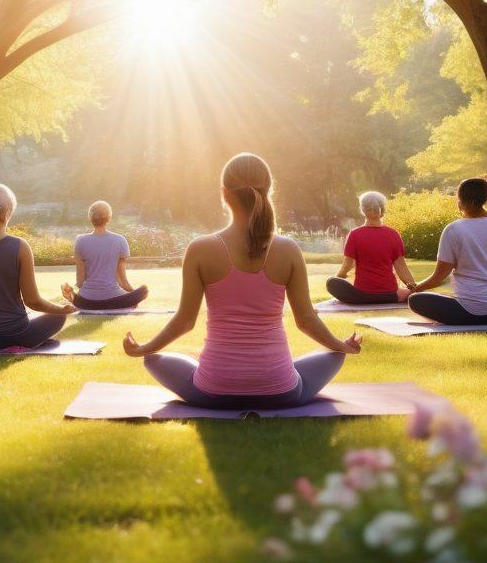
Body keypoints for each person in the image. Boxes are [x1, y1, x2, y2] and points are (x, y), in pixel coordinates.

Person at [123, 153, 361, 410]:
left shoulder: (200, 249)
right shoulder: (289, 249)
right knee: (334, 356)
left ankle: (215, 370)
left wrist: (143, 348)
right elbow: (305, 319)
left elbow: (185, 321)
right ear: (268, 191)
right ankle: (288, 368)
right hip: (281, 391)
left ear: (224, 194)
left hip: (213, 391)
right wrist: (341, 345)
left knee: (152, 359)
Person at [0, 182, 75, 349]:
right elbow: (33, 301)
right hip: (12, 334)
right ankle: (22, 342)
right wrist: (62, 309)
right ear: (6, 212)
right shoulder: (20, 247)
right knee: (57, 317)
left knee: (44, 315)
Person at [407, 177, 487, 325]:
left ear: (462, 201)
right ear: (484, 199)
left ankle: (471, 316)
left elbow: (439, 277)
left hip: (464, 311)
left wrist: (416, 288)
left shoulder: (453, 230)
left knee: (415, 300)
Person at [325, 191, 417, 305]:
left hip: (362, 294)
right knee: (403, 292)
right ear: (382, 210)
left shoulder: (354, 234)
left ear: (362, 210)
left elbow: (347, 266)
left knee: (331, 282)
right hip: (389, 294)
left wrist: (338, 277)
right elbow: (401, 268)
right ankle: (398, 294)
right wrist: (413, 288)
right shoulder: (393, 234)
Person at [61, 201, 149, 310]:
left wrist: (75, 295)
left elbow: (80, 281)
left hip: (86, 301)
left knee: (66, 288)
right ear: (109, 218)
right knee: (144, 290)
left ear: (90, 218)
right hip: (115, 299)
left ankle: (73, 297)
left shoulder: (80, 240)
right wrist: (133, 296)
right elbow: (123, 281)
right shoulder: (120, 240)